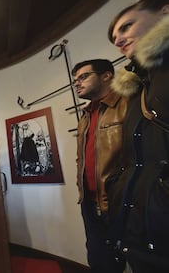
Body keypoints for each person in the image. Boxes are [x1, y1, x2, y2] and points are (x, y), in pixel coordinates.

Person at [106, 0, 169, 271]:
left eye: (126, 26)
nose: (119, 40)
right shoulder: (137, 89)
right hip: (144, 231)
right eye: (114, 38)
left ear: (165, 12)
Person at [73, 59, 128, 273]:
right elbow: (82, 159)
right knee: (98, 261)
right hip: (89, 202)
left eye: (83, 77)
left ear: (106, 76)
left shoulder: (127, 103)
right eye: (75, 80)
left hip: (121, 201)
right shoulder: (85, 116)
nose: (77, 83)